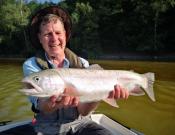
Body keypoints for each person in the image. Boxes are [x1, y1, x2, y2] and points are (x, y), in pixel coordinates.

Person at [23, 6, 129, 135]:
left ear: (65, 35)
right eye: (47, 34)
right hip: (45, 126)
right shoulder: (31, 64)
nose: (54, 39)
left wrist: (101, 94)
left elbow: (84, 111)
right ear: (40, 38)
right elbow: (42, 106)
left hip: (80, 125)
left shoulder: (83, 64)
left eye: (58, 33)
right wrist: (54, 102)